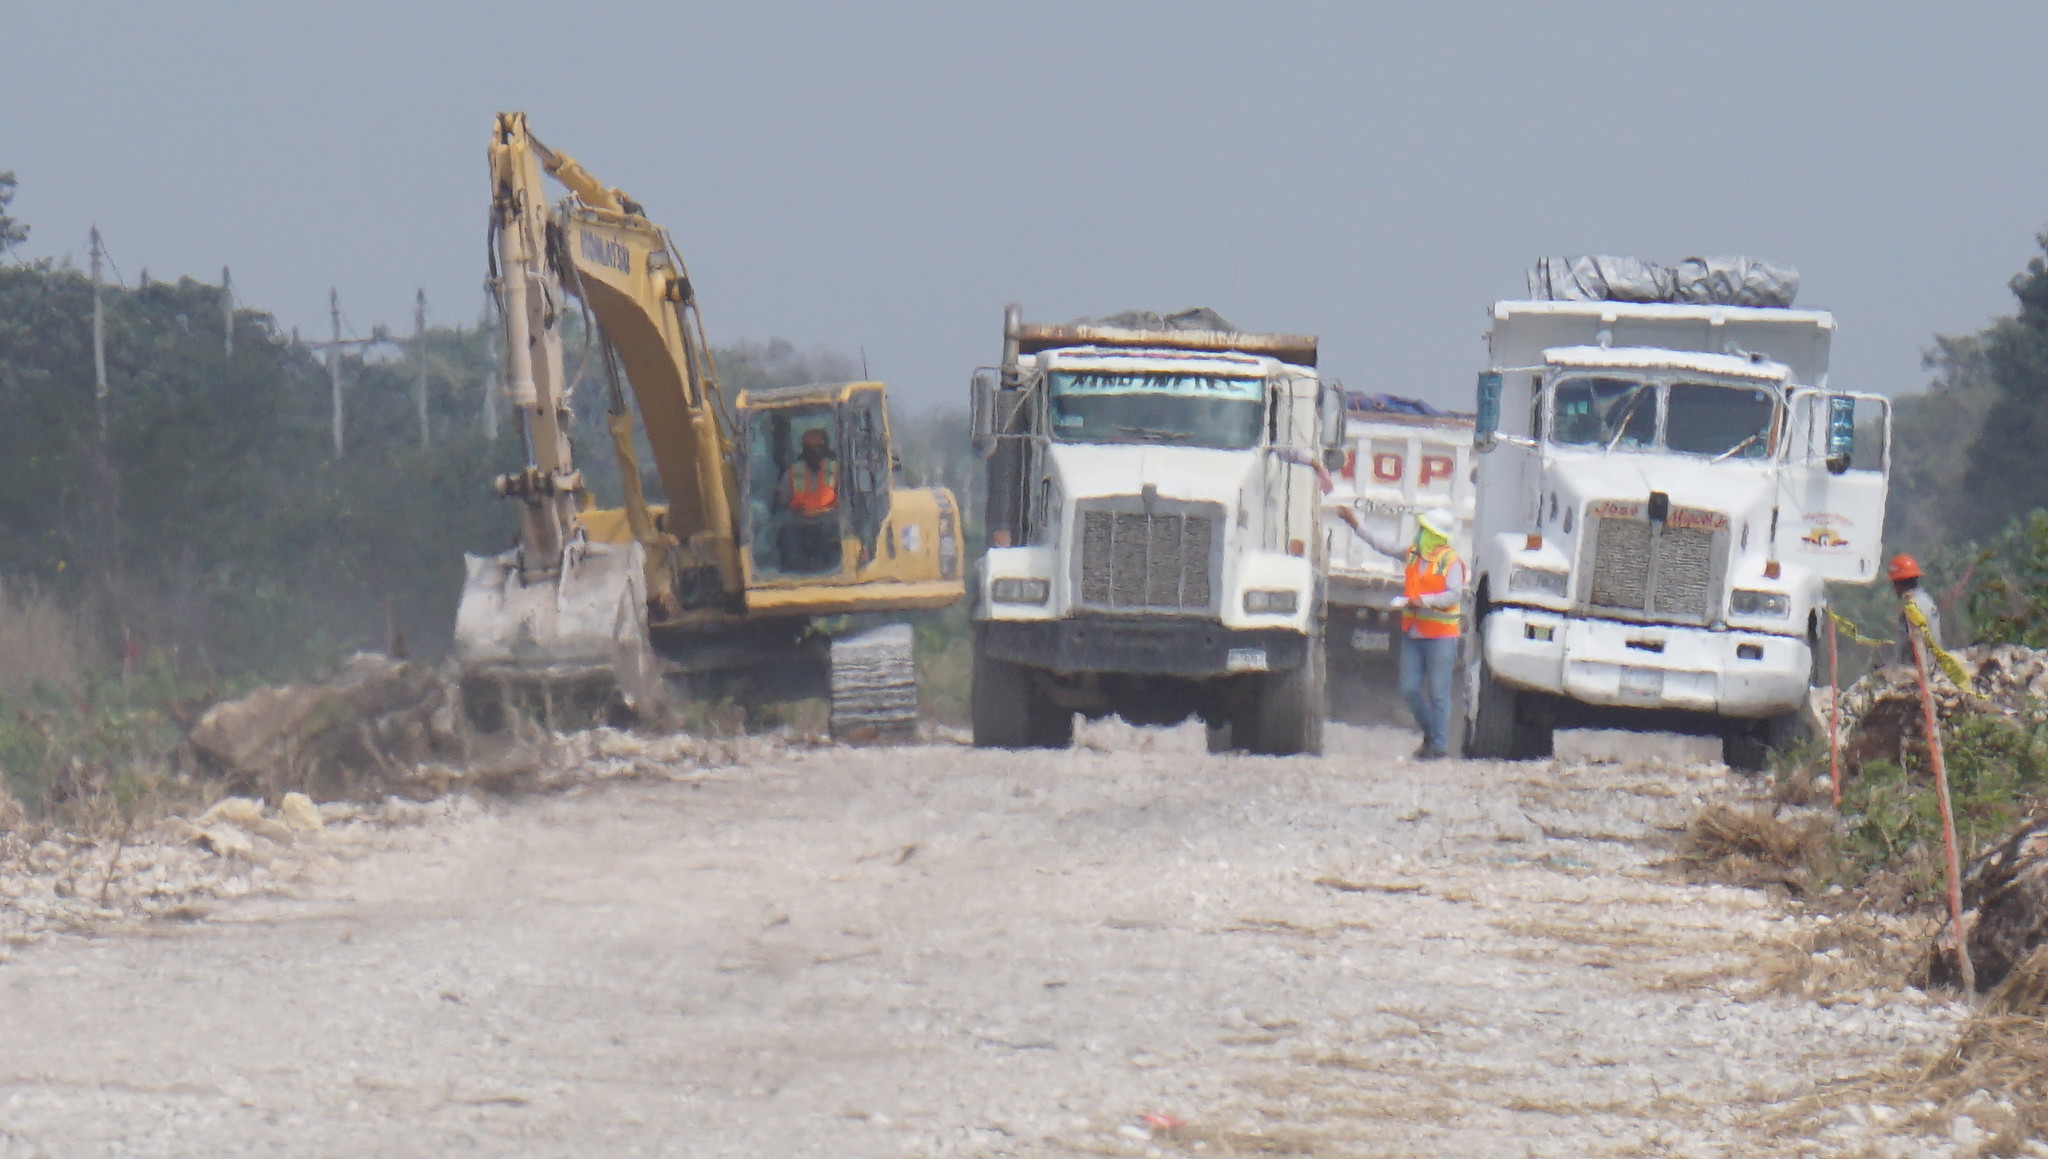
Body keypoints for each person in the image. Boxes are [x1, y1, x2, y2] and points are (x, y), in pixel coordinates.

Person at [1337, 504, 1465, 759]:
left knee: (1439, 692)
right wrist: (1356, 526)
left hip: (1441, 635)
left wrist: (1424, 601)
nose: (1419, 534)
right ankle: (1432, 732)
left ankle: (1438, 747)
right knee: (1409, 688)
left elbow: (1454, 593)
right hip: (1414, 633)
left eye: (1424, 530)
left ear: (1437, 535)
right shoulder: (1413, 554)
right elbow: (1382, 545)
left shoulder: (1451, 562)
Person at [776, 428, 840, 573]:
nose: (814, 450)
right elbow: (782, 500)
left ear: (826, 447)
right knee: (785, 534)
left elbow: (848, 500)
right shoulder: (792, 472)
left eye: (818, 445)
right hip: (799, 522)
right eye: (809, 446)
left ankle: (831, 569)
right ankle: (794, 571)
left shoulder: (837, 470)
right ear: (804, 449)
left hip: (830, 521)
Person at [1889, 553, 1944, 667]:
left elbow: (1909, 642)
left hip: (1918, 669)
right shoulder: (1926, 600)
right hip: (1934, 663)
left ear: (1899, 583)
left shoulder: (1911, 607)